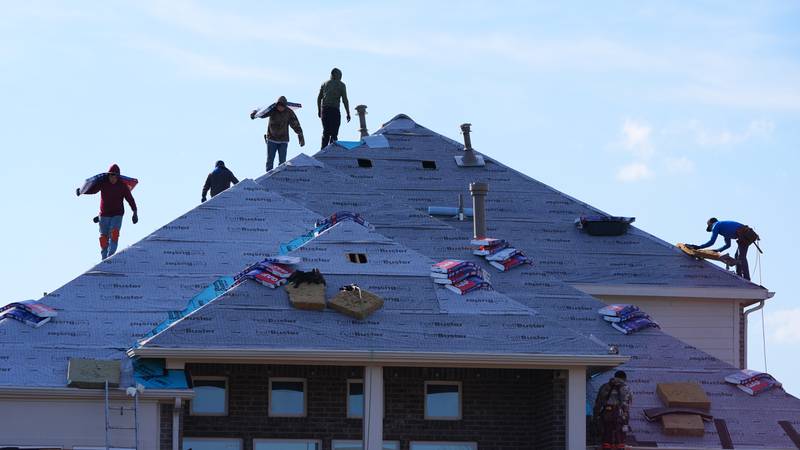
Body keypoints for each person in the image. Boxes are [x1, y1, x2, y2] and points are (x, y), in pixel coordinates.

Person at [78, 164, 138, 260]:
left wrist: (135, 212)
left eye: (114, 175)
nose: (112, 177)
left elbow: (130, 199)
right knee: (103, 238)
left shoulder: (122, 186)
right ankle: (104, 259)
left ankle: (111, 257)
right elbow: (93, 190)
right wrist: (82, 191)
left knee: (114, 233)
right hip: (104, 215)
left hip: (117, 214)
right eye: (110, 175)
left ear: (118, 176)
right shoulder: (104, 183)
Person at [687, 218, 760, 280]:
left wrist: (699, 247)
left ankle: (746, 278)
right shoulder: (724, 229)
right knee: (737, 256)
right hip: (747, 234)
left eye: (710, 227)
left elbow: (712, 242)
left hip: (745, 234)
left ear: (712, 223)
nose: (712, 230)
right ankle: (740, 276)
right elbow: (728, 245)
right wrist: (717, 250)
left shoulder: (716, 225)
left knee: (741, 257)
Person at [250, 96, 305, 171]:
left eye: (282, 106)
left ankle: (280, 176)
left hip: (283, 140)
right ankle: (268, 175)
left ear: (285, 106)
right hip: (272, 139)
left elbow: (295, 124)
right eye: (279, 106)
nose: (280, 108)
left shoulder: (289, 112)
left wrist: (300, 136)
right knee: (270, 160)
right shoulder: (272, 110)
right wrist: (254, 113)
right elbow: (262, 112)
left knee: (282, 161)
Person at [593, 370, 632, 449]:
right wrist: (626, 416)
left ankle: (607, 447)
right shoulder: (626, 388)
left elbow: (598, 403)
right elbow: (627, 403)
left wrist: (596, 416)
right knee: (620, 435)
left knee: (607, 433)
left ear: (614, 377)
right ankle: (619, 447)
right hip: (620, 414)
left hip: (607, 413)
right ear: (624, 378)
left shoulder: (604, 386)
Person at [317, 67, 351, 149]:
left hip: (324, 110)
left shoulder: (324, 83)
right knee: (334, 133)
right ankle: (332, 150)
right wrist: (348, 113)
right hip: (334, 110)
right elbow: (345, 100)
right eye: (340, 75)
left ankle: (323, 151)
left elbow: (319, 98)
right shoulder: (341, 85)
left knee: (326, 132)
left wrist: (319, 110)